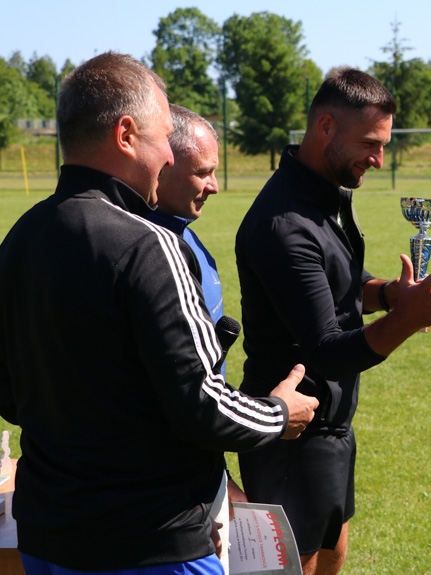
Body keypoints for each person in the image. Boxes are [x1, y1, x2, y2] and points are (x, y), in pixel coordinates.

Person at [0, 52, 318, 573]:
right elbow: (202, 405)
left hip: (46, 538)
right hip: (150, 543)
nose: (171, 159)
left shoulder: (21, 237)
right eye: (162, 139)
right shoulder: (149, 244)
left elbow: (10, 394)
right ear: (126, 134)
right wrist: (279, 413)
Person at [235, 67, 431, 575]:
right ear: (325, 128)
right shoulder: (284, 224)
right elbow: (326, 351)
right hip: (291, 435)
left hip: (330, 430)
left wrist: (387, 293)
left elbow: (337, 283)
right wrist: (405, 320)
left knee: (333, 558)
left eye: (382, 145)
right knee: (294, 569)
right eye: (369, 143)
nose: (378, 159)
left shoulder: (324, 199)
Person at [149, 103, 244, 571]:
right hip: (162, 511)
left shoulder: (185, 235)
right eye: (203, 173)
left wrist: (218, 483)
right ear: (163, 165)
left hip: (198, 471)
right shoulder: (148, 251)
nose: (214, 185)